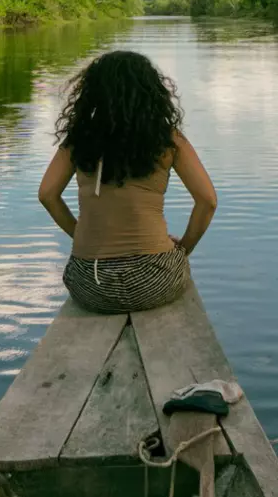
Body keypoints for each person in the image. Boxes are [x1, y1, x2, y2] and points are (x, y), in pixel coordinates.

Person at [36, 50, 217, 314]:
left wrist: (80, 234)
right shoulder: (169, 139)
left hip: (90, 282)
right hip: (155, 279)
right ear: (151, 91)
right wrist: (184, 249)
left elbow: (47, 195)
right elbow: (208, 201)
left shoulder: (79, 140)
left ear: (93, 92)